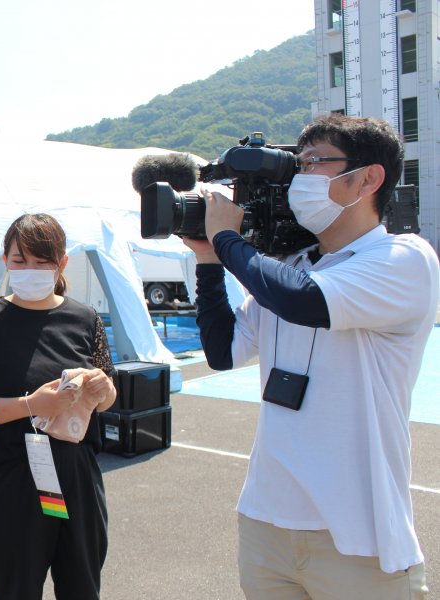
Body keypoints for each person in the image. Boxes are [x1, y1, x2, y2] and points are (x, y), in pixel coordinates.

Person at [184, 114, 439, 599]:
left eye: (314, 163)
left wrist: (227, 238)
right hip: (266, 523)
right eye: (296, 166)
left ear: (369, 178)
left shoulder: (404, 258)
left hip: (358, 540)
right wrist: (208, 262)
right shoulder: (291, 268)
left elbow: (305, 302)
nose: (300, 179)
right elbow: (223, 352)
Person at [0, 213, 116, 600]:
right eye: (19, 261)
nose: (30, 270)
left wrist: (103, 388)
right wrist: (32, 404)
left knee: (82, 585)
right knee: (17, 588)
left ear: (62, 264)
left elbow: (107, 400)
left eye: (43, 262)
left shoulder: (84, 318)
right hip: (12, 476)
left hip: (76, 474)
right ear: (5, 260)